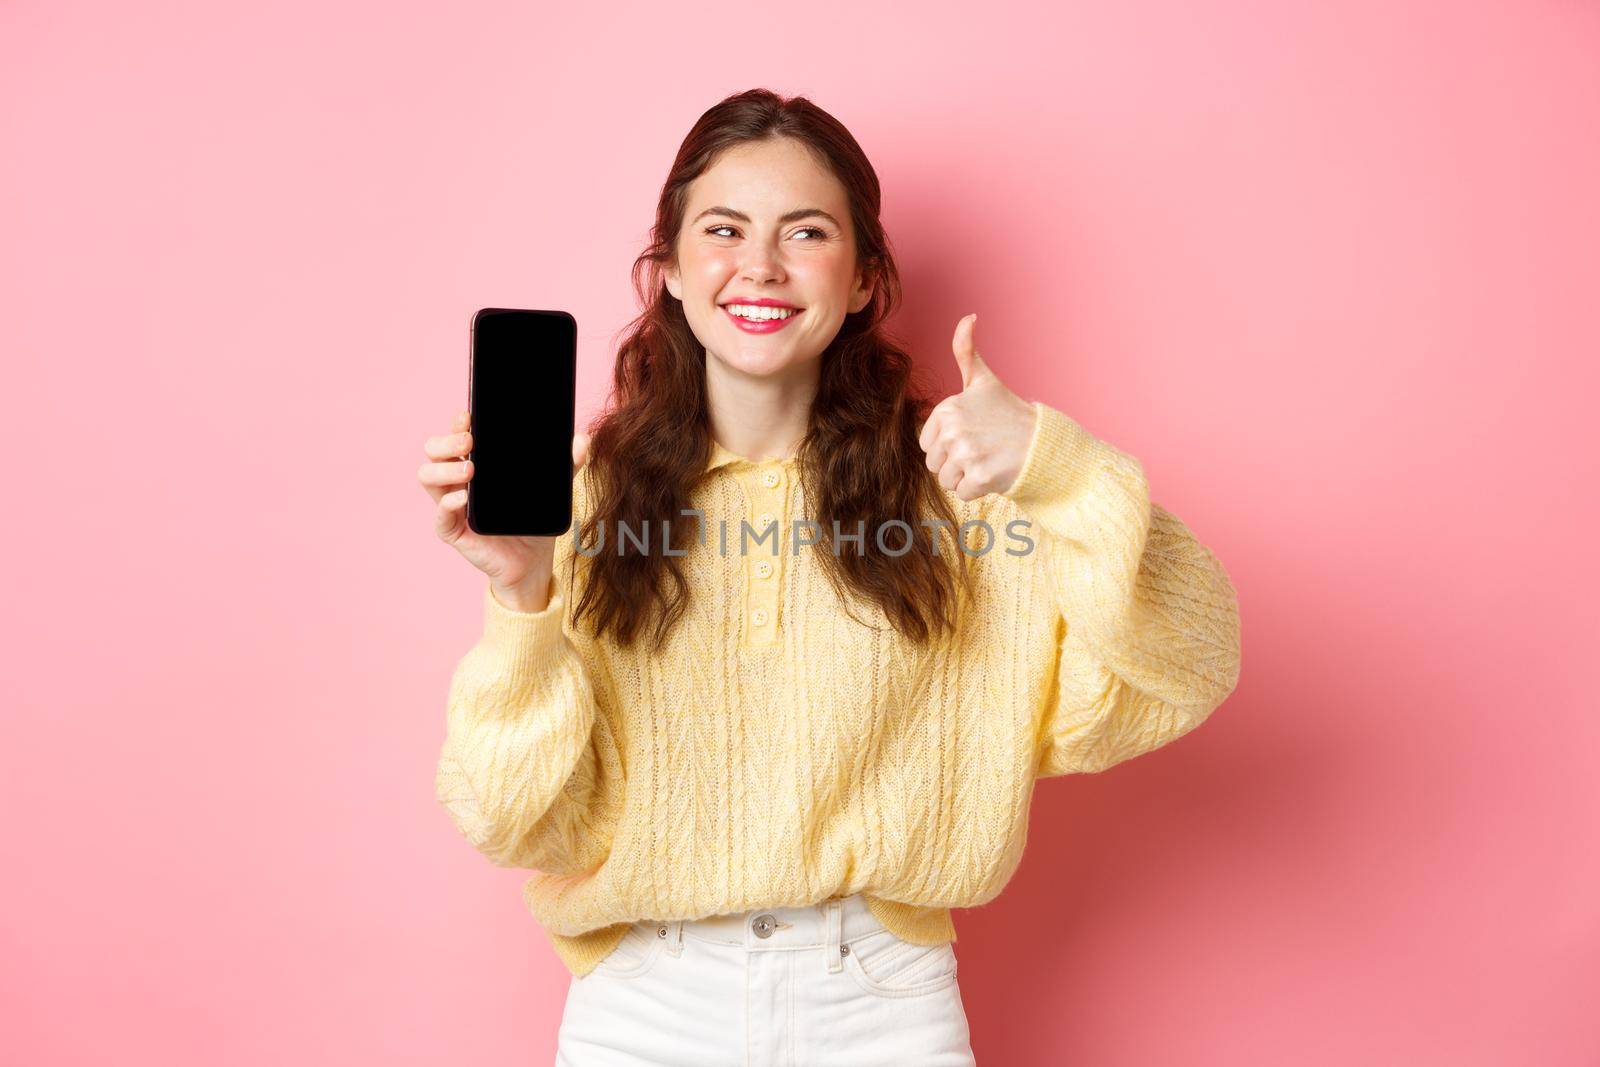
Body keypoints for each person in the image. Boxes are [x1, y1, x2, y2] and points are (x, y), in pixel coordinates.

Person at [416, 88, 1241, 1066]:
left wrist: (1054, 467)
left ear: (860, 280)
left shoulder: (963, 494)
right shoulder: (576, 504)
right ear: (672, 270)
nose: (759, 265)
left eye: (804, 232)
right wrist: (523, 596)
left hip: (880, 1006)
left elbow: (1191, 659)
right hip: (643, 1009)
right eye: (722, 230)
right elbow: (508, 817)